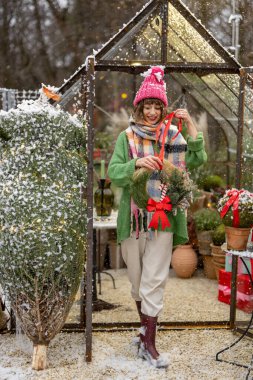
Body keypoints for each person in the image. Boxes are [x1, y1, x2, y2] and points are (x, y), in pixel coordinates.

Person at [108, 66, 207, 368]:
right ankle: (143, 334)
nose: (151, 112)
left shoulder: (173, 135)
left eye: (156, 106)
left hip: (163, 216)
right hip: (135, 218)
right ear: (139, 107)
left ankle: (150, 344)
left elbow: (196, 160)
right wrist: (137, 163)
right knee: (137, 279)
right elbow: (114, 172)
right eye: (147, 106)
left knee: (154, 279)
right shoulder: (127, 137)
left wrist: (190, 126)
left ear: (163, 108)